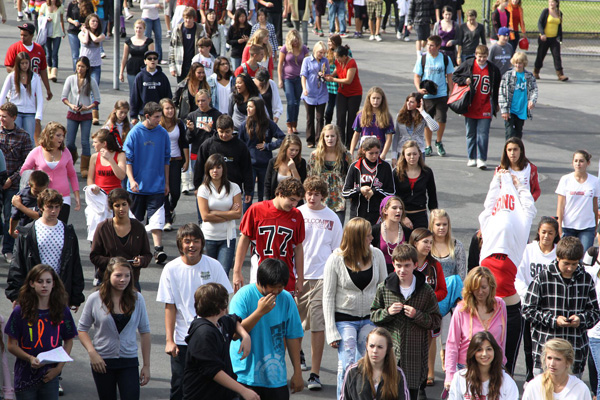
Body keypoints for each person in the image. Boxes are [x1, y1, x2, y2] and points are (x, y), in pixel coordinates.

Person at [156, 223, 233, 400]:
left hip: (211, 337)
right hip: (183, 340)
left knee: (213, 385)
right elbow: (170, 306)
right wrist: (169, 340)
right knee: (180, 386)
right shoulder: (171, 269)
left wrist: (225, 334)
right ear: (180, 244)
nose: (192, 245)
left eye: (196, 241)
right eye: (187, 241)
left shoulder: (213, 265)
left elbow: (224, 303)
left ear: (202, 243)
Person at [479, 170, 536, 376]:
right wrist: (496, 182)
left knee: (507, 366)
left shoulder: (518, 241)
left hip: (510, 312)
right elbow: (488, 205)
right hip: (483, 310)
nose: (504, 229)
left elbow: (529, 209)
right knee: (482, 364)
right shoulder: (487, 232)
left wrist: (519, 185)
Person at [323, 217, 387, 399]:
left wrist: (384, 319)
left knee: (368, 362)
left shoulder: (377, 255)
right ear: (357, 238)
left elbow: (383, 287)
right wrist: (331, 331)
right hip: (345, 319)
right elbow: (327, 296)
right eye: (368, 236)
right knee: (347, 363)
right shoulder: (335, 259)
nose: (372, 239)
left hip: (370, 317)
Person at [370, 243, 442, 400]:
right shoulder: (384, 288)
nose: (402, 270)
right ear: (394, 265)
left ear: (415, 265)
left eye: (407, 265)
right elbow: (374, 316)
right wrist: (387, 312)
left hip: (415, 357)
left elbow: (436, 321)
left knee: (411, 394)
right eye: (398, 265)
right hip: (389, 355)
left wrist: (417, 315)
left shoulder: (426, 291)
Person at [523, 236, 600, 377]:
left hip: (574, 356)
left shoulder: (586, 279)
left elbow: (595, 312)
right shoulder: (543, 278)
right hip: (546, 354)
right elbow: (528, 310)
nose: (570, 268)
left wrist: (581, 319)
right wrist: (553, 320)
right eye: (566, 263)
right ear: (558, 257)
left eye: (574, 264)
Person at [77, 257, 151, 400]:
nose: (123, 280)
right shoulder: (95, 298)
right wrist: (92, 353)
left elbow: (145, 331)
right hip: (102, 361)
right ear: (109, 276)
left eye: (127, 276)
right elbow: (82, 329)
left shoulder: (137, 298)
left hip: (129, 360)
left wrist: (146, 366)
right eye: (118, 275)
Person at [229, 258, 305, 398]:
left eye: (280, 287)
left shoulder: (286, 299)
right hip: (244, 376)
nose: (276, 291)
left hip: (276, 378)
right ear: (260, 281)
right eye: (272, 287)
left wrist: (297, 372)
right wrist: (259, 312)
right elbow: (234, 334)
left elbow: (293, 336)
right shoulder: (243, 297)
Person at [296, 177, 343, 390]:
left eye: (316, 194)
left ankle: (314, 373)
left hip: (322, 278)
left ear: (322, 195)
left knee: (317, 325)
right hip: (298, 277)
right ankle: (298, 360)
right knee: (295, 325)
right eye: (308, 193)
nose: (311, 197)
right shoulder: (297, 214)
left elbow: (337, 250)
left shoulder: (332, 217)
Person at [5, 265, 77, 399]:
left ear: (53, 284)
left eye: (48, 281)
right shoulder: (20, 311)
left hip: (50, 376)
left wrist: (58, 369)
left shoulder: (62, 310)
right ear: (32, 283)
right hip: (24, 377)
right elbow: (11, 345)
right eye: (40, 281)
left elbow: (69, 341)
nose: (44, 285)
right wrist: (30, 358)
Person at [6, 188, 85, 309]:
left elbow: (74, 264)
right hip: (34, 290)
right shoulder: (27, 232)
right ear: (41, 207)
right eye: (50, 207)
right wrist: (16, 295)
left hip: (59, 289)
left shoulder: (68, 231)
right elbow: (18, 263)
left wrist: (76, 297)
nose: (53, 211)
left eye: (57, 207)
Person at [182, 283, 257, 400]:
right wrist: (243, 391)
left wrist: (245, 336)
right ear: (220, 307)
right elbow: (213, 370)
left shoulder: (219, 323)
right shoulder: (203, 334)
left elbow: (233, 319)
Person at [234, 177, 306, 294]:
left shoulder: (297, 215)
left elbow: (298, 247)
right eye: (292, 199)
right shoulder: (256, 209)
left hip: (285, 275)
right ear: (280, 193)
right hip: (260, 273)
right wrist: (237, 271)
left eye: (297, 201)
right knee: (259, 310)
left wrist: (300, 278)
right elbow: (244, 240)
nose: (294, 204)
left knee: (283, 311)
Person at [444, 267, 507, 390]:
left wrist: (502, 364)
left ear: (491, 287)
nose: (480, 292)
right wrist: (450, 376)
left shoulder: (500, 306)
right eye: (476, 287)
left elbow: (502, 340)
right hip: (466, 367)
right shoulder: (461, 309)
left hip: (493, 366)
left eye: (484, 287)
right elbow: (452, 343)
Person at [123, 102, 170, 264]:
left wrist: (166, 182)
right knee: (135, 221)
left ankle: (158, 250)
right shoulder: (134, 133)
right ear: (147, 116)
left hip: (156, 185)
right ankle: (134, 250)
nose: (159, 120)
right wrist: (131, 179)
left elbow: (166, 160)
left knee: (157, 219)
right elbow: (128, 159)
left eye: (160, 116)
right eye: (157, 117)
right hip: (137, 187)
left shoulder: (163, 133)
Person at [515, 216, 559, 384]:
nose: (546, 236)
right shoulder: (528, 250)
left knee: (550, 346)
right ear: (538, 232)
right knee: (529, 345)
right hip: (529, 305)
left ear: (556, 234)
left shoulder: (558, 254)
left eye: (550, 233)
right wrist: (528, 297)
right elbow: (518, 276)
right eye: (543, 232)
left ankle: (550, 378)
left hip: (550, 307)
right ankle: (530, 377)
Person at [90, 188, 152, 290]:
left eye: (124, 204)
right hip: (107, 282)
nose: (121, 208)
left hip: (132, 282)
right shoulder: (103, 227)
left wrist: (141, 261)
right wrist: (113, 262)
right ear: (111, 207)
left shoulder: (138, 227)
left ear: (129, 204)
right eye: (117, 205)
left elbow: (147, 254)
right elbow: (94, 256)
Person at [20, 122, 81, 223]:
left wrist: (77, 196)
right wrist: (35, 183)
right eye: (58, 135)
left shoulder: (65, 152)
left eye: (63, 136)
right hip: (43, 198)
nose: (61, 138)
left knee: (61, 229)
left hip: (63, 197)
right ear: (49, 135)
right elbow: (24, 171)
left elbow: (72, 174)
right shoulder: (37, 151)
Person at [452, 44, 501, 170]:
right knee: (470, 133)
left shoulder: (493, 69)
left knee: (483, 134)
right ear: (475, 55)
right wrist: (465, 81)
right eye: (480, 57)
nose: (482, 59)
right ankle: (471, 157)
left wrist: (496, 104)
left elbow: (496, 88)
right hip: (470, 104)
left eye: (484, 57)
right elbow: (455, 76)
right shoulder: (468, 64)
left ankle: (482, 158)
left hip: (485, 105)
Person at [197, 154, 242, 276]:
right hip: (208, 237)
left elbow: (238, 214)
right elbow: (205, 216)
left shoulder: (234, 187)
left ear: (224, 169)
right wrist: (229, 214)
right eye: (211, 168)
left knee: (223, 274)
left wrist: (215, 212)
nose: (215, 171)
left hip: (227, 238)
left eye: (218, 167)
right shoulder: (203, 189)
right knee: (207, 274)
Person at [0, 102, 34, 262]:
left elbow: (26, 164)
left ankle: (7, 249)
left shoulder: (23, 136)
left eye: (4, 117)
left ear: (14, 117)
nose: (2, 119)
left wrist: (11, 178)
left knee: (9, 216)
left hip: (13, 184)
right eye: (0, 116)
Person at [194, 115, 253, 205]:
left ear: (233, 129)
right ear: (217, 129)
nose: (224, 135)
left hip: (233, 188)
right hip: (211, 189)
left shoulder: (241, 146)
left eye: (227, 132)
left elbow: (247, 169)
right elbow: (199, 166)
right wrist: (197, 186)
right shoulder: (208, 145)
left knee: (231, 216)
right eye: (221, 132)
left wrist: (248, 190)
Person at [238, 96, 285, 211]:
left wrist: (268, 146)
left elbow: (283, 138)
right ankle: (247, 221)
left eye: (250, 107)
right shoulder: (244, 124)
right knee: (248, 195)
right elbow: (240, 144)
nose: (247, 109)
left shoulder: (268, 124)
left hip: (265, 164)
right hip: (250, 165)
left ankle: (263, 219)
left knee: (264, 195)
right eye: (247, 106)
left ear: (258, 108)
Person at [341, 327, 410, 399]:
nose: (375, 351)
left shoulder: (397, 373)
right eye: (372, 346)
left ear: (387, 349)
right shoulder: (353, 372)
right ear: (366, 346)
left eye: (380, 347)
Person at [413, 35, 454, 157]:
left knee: (441, 119)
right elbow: (416, 76)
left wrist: (451, 92)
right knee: (427, 121)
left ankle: (438, 142)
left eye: (431, 46)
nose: (428, 48)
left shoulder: (445, 59)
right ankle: (428, 145)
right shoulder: (423, 59)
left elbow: (450, 76)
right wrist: (419, 89)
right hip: (426, 96)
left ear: (437, 46)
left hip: (441, 94)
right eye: (428, 45)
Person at [447, 331, 518, 399]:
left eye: (489, 349)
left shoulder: (506, 381)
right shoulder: (459, 378)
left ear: (495, 351)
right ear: (472, 352)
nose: (484, 354)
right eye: (479, 350)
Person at [61, 55, 100, 176]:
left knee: (85, 141)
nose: (80, 69)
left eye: (83, 66)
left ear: (87, 68)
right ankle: (70, 162)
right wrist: (71, 105)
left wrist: (88, 107)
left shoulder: (91, 81)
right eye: (78, 66)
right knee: (70, 142)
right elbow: (64, 96)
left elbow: (97, 99)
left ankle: (85, 167)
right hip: (72, 113)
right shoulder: (70, 79)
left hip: (86, 114)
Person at [343, 137, 395, 225]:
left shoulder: (385, 167)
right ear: (364, 151)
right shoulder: (355, 167)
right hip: (357, 216)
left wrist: (375, 191)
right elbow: (345, 193)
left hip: (378, 216)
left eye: (377, 153)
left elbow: (391, 192)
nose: (374, 156)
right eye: (371, 153)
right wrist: (360, 190)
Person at [307, 124, 352, 224]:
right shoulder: (315, 155)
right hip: (320, 196)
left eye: (332, 136)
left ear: (337, 137)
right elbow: (310, 177)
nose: (330, 139)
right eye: (327, 136)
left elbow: (351, 176)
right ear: (323, 138)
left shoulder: (345, 155)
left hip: (339, 198)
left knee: (337, 229)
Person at [522, 338, 593, 400]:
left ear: (568, 362)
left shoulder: (580, 389)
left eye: (558, 359)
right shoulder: (534, 386)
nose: (552, 364)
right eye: (549, 358)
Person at [556, 150, 598, 252]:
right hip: (568, 226)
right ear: (572, 162)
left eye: (581, 161)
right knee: (568, 255)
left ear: (588, 163)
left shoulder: (595, 181)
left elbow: (595, 206)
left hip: (587, 227)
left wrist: (596, 226)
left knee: (584, 259)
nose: (578, 164)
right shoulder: (565, 179)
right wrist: (559, 225)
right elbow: (560, 205)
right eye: (576, 161)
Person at [159, 98, 189, 232]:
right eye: (167, 108)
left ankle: (170, 209)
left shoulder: (179, 123)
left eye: (172, 108)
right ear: (162, 110)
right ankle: (167, 219)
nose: (170, 111)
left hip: (176, 160)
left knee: (175, 192)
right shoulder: (158, 124)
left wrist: (186, 160)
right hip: (162, 162)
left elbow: (184, 142)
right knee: (164, 191)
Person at [0, 52, 43, 144]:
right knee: (14, 137)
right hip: (15, 112)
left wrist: (38, 115)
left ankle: (29, 158)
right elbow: (2, 95)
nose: (24, 66)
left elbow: (39, 97)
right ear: (18, 64)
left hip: (30, 112)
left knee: (29, 138)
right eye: (22, 63)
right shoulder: (11, 76)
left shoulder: (35, 77)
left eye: (26, 63)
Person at [5, 23, 53, 105]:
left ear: (31, 36)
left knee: (31, 112)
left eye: (25, 35)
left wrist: (48, 89)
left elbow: (42, 70)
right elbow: (8, 67)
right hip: (18, 85)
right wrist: (20, 71)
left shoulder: (39, 49)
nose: (22, 37)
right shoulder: (14, 48)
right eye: (21, 35)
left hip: (33, 85)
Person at [393, 140, 438, 229]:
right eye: (409, 154)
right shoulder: (397, 172)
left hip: (420, 215)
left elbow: (432, 195)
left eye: (414, 154)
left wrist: (434, 216)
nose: (412, 157)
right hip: (402, 216)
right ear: (404, 156)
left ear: (419, 154)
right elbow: (394, 196)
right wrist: (402, 217)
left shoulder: (427, 172)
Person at [325, 45, 362, 148]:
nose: (337, 59)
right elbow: (337, 70)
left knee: (351, 117)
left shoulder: (351, 63)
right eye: (336, 57)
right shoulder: (338, 61)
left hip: (354, 93)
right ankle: (340, 141)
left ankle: (350, 142)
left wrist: (333, 80)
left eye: (338, 57)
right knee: (340, 116)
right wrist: (331, 75)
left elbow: (348, 80)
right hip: (342, 92)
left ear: (345, 56)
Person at [185, 90, 221, 189]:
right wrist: (191, 130)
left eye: (203, 100)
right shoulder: (192, 115)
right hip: (196, 153)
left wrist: (211, 131)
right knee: (199, 184)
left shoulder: (217, 115)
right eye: (198, 101)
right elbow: (188, 139)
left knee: (212, 183)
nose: (201, 103)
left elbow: (220, 136)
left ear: (209, 100)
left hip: (212, 153)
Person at [499, 52, 538, 140]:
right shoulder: (508, 75)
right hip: (510, 109)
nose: (518, 65)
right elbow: (502, 93)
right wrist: (504, 109)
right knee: (509, 133)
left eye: (520, 63)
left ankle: (518, 152)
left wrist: (532, 101)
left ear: (524, 63)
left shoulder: (529, 76)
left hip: (521, 109)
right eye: (516, 63)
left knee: (518, 133)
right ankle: (508, 151)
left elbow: (534, 90)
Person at [391, 93, 438, 166]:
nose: (408, 103)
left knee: (417, 174)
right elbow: (396, 136)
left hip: (418, 152)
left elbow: (435, 128)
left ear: (418, 103)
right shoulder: (400, 116)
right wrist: (393, 156)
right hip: (402, 151)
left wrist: (423, 112)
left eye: (412, 102)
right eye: (407, 101)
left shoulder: (423, 117)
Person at [349, 86, 394, 160]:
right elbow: (356, 134)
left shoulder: (387, 116)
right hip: (363, 151)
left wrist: (384, 154)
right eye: (373, 98)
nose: (375, 101)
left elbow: (389, 138)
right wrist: (351, 151)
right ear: (369, 99)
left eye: (378, 98)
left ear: (382, 100)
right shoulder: (361, 115)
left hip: (378, 152)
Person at [278, 29, 308, 134]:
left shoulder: (303, 48)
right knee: (290, 102)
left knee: (296, 103)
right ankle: (289, 124)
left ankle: (295, 124)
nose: (295, 42)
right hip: (288, 78)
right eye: (293, 41)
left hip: (299, 78)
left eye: (296, 40)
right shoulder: (285, 49)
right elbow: (280, 64)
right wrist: (280, 79)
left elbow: (308, 62)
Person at [129, 51, 173, 124]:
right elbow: (134, 97)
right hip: (144, 115)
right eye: (149, 58)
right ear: (145, 61)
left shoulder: (162, 77)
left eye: (155, 58)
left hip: (159, 115)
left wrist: (167, 112)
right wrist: (133, 116)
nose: (152, 60)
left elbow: (168, 96)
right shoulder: (140, 77)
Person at [300, 41, 329, 148]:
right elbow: (303, 75)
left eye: (324, 53)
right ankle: (310, 139)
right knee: (310, 117)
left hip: (321, 93)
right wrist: (304, 89)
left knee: (320, 118)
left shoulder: (325, 61)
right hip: (309, 92)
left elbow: (328, 75)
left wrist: (324, 75)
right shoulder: (307, 60)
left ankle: (319, 140)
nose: (322, 55)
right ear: (315, 51)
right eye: (320, 52)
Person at [78, 13, 105, 125]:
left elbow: (96, 39)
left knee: (94, 89)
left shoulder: (101, 35)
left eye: (96, 21)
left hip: (96, 65)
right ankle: (80, 109)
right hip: (84, 65)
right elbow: (84, 41)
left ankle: (95, 115)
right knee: (81, 88)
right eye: (92, 21)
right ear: (88, 22)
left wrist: (88, 31)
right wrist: (86, 32)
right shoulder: (81, 34)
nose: (95, 23)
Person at [264, 134, 307, 200]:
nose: (294, 153)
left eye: (297, 150)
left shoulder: (301, 162)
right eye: (291, 150)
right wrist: (267, 202)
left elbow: (301, 186)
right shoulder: (273, 162)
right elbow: (267, 185)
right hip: (276, 201)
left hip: (294, 203)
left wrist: (293, 169)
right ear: (285, 148)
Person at [9, 170, 49, 239]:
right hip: (24, 231)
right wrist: (11, 231)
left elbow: (40, 216)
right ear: (29, 185)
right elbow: (15, 216)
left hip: (42, 232)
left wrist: (19, 205)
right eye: (36, 191)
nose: (39, 194)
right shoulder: (21, 196)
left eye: (42, 191)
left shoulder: (47, 197)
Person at [430, 209, 466, 281]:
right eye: (438, 224)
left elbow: (461, 274)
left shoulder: (457, 245)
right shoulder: (427, 244)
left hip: (452, 288)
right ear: (432, 225)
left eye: (445, 224)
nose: (442, 227)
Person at [119, 19, 154, 93]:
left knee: (144, 91)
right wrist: (121, 72)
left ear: (144, 29)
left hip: (144, 69)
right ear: (134, 28)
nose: (138, 30)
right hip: (132, 68)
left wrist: (153, 71)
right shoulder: (128, 42)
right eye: (137, 27)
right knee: (133, 91)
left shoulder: (149, 42)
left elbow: (152, 58)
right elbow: (125, 57)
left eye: (140, 28)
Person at [38, 0, 65, 82]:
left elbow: (61, 20)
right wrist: (46, 18)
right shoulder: (44, 6)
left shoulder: (60, 6)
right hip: (47, 33)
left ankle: (54, 73)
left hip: (57, 33)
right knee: (49, 53)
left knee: (55, 53)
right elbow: (40, 17)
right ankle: (49, 71)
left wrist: (63, 31)